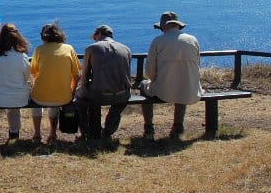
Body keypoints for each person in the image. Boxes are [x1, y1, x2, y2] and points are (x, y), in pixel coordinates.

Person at [138, 11, 203, 139]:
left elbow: (150, 70)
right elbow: (197, 64)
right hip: (190, 89)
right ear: (178, 25)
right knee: (182, 83)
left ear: (163, 26)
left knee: (143, 86)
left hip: (165, 90)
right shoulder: (192, 40)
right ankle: (178, 126)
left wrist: (154, 80)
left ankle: (149, 128)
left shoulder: (158, 41)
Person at [74, 24, 132, 140]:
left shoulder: (91, 48)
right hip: (122, 94)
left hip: (98, 95)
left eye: (95, 37)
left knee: (79, 99)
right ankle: (108, 130)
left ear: (99, 35)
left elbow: (85, 75)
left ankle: (87, 131)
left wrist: (82, 88)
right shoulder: (126, 49)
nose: (94, 40)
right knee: (118, 104)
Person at [29, 21, 81, 143]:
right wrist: (72, 92)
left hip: (40, 97)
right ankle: (52, 133)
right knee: (56, 101)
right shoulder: (69, 49)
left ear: (43, 36)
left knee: (36, 100)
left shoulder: (39, 50)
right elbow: (76, 75)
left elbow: (34, 72)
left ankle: (37, 133)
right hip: (64, 97)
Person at [0, 23, 32, 142]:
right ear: (17, 37)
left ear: (0, 36)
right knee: (15, 98)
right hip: (17, 98)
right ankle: (14, 132)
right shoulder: (22, 57)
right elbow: (26, 77)